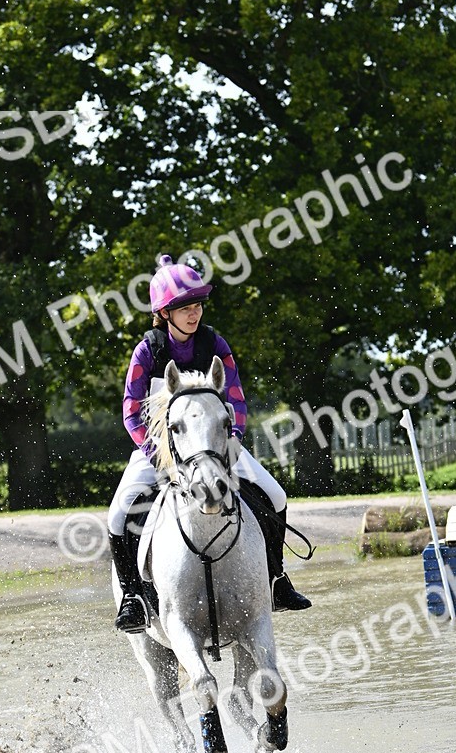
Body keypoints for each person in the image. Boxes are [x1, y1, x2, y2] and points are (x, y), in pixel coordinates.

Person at [107, 253, 312, 632]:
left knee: (276, 494)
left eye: (197, 304)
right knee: (119, 514)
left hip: (217, 447)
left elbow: (235, 399)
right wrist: (157, 456)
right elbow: (131, 412)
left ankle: (277, 580)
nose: (194, 313)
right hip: (160, 450)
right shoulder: (147, 351)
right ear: (165, 312)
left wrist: (233, 440)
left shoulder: (215, 343)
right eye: (184, 307)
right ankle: (134, 597)